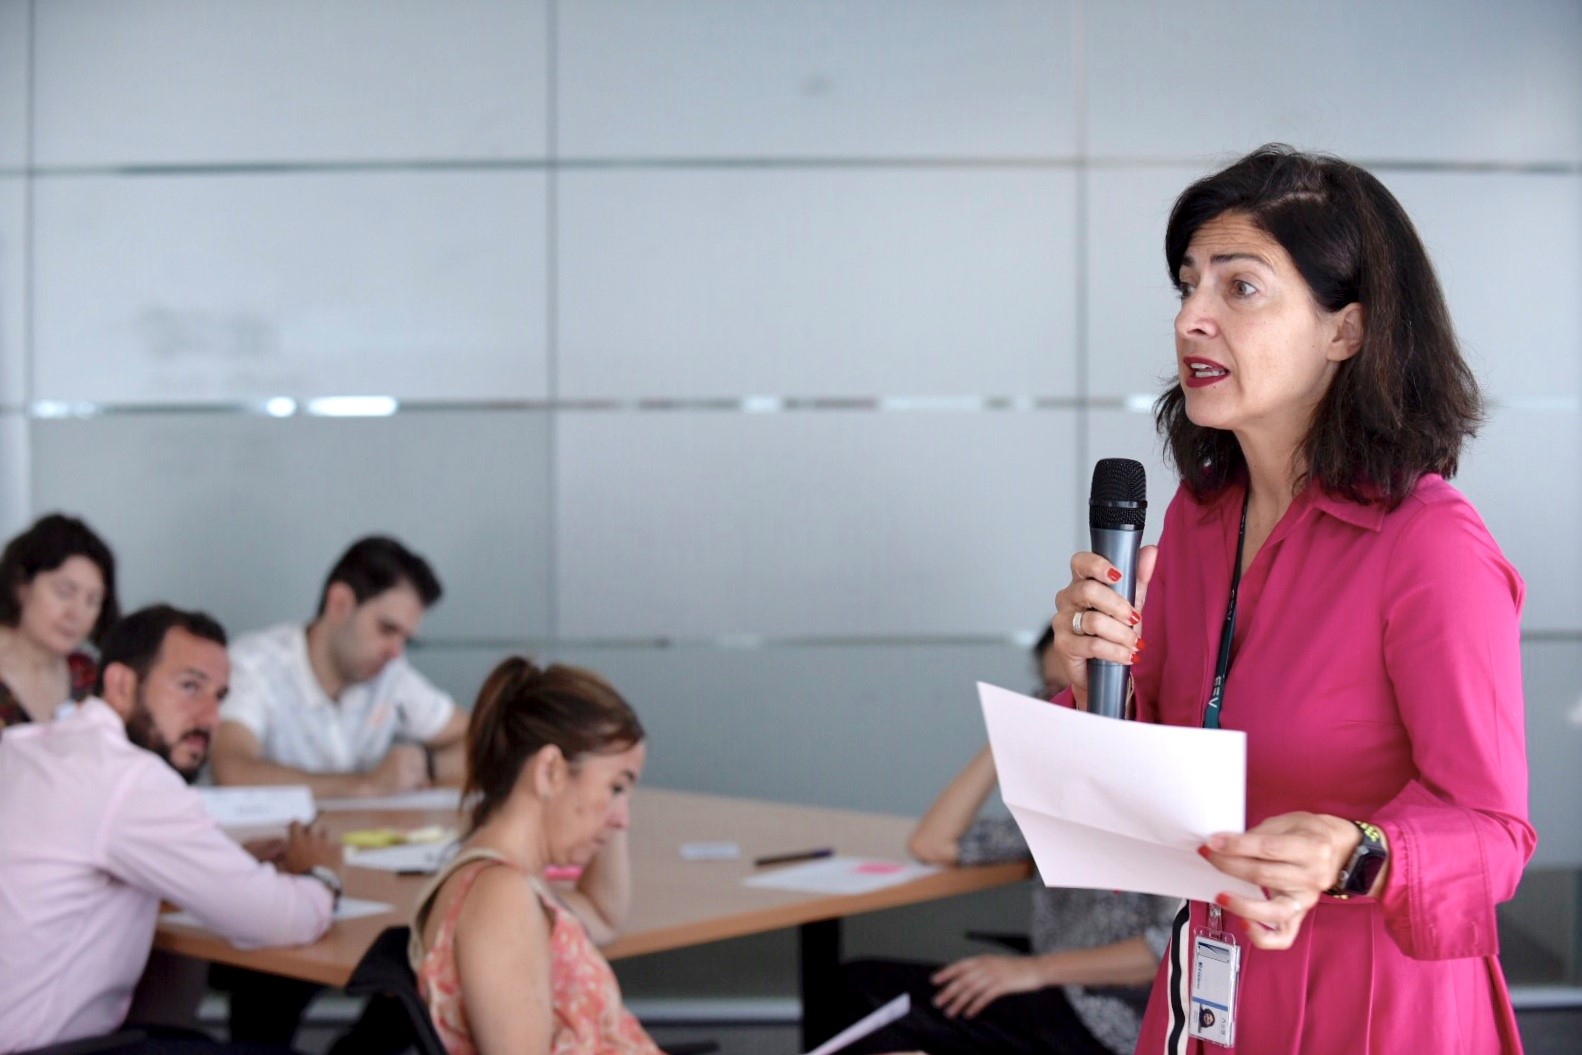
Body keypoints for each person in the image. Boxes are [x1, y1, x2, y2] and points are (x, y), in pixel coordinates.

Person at [1051, 145, 1533, 1052]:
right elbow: (1151, 781)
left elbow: (1494, 830)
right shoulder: (1198, 521)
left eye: (1240, 287)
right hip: (1210, 988)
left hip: (1376, 1004)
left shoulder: (1430, 544)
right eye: (1188, 285)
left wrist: (1357, 850)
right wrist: (1097, 682)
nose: (1191, 318)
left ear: (1345, 331)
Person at [0, 604, 343, 1053]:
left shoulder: (28, 746)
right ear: (122, 685)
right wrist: (321, 875)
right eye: (189, 687)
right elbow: (275, 919)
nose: (210, 717)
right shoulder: (129, 778)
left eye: (219, 696)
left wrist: (225, 861)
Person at [842, 627, 1177, 1055]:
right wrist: (1016, 728)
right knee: (857, 987)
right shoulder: (1067, 797)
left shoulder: (1161, 796)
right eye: (1055, 691)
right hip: (1054, 994)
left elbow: (1167, 947)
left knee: (868, 996)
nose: (1070, 705)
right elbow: (933, 843)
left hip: (1110, 1021)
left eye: (1084, 688)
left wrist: (1036, 970)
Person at [409, 656, 657, 1055]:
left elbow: (604, 913)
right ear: (550, 771)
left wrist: (609, 799)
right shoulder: (500, 897)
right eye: (616, 788)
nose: (623, 820)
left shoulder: (510, 883)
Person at [211, 535, 468, 796]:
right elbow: (232, 771)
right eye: (386, 629)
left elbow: (478, 740)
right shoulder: (254, 665)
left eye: (406, 639)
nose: (396, 652)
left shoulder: (391, 674)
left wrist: (427, 765)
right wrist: (366, 785)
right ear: (339, 603)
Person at [0, 512, 119, 732]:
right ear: (21, 584)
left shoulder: (87, 676)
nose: (77, 613)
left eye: (92, 600)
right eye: (64, 592)